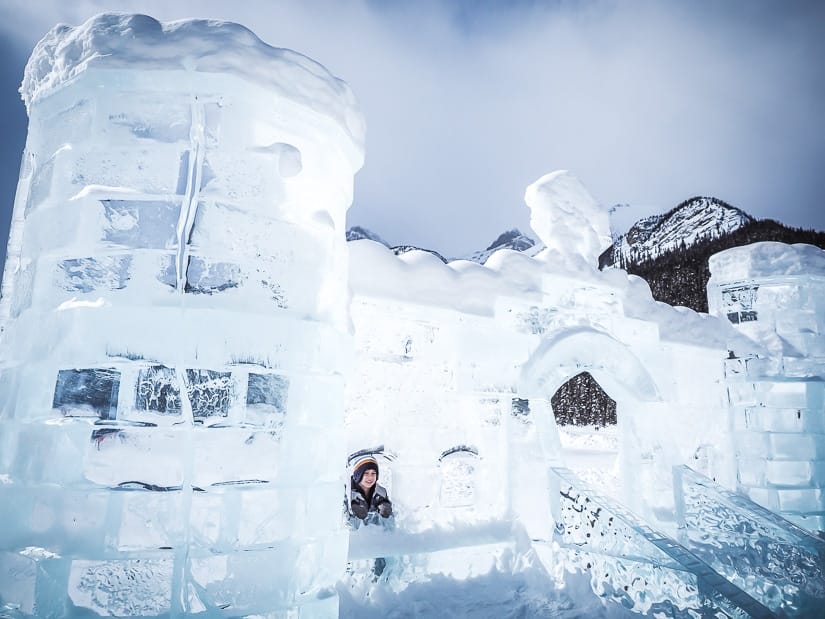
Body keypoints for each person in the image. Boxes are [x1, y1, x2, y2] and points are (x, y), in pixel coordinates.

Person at [349, 455, 392, 522]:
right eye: (366, 473)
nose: (370, 477)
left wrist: (385, 506)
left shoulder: (381, 492)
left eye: (373, 473)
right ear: (358, 475)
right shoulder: (348, 492)